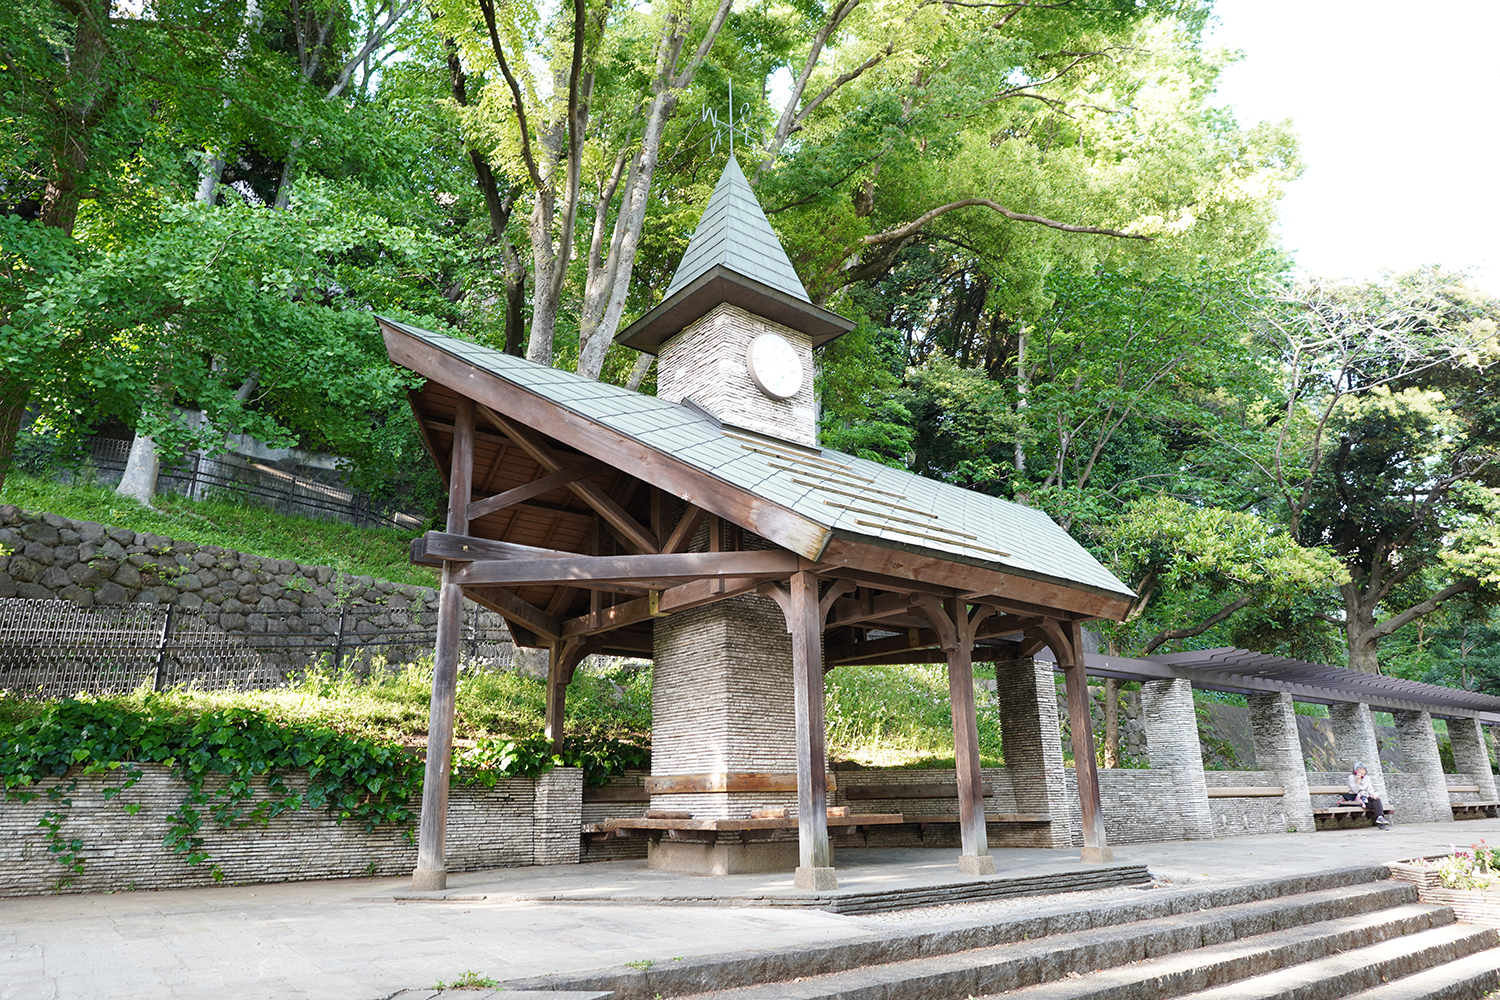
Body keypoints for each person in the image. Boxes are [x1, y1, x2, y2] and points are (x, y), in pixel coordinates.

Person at [1341, 763, 1390, 828]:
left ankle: (1380, 818)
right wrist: (1358, 781)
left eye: (1363, 770)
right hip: (1356, 799)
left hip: (1365, 797)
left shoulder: (1367, 778)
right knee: (1375, 805)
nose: (1361, 772)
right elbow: (1355, 791)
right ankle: (1380, 823)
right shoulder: (1351, 777)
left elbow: (1369, 789)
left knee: (1376, 800)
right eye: (1359, 770)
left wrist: (1373, 794)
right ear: (1355, 771)